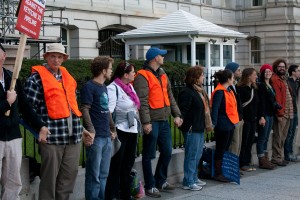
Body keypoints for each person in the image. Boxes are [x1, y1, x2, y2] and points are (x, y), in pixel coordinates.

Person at [24, 43, 90, 200]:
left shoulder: (68, 77)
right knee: (49, 180)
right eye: (52, 56)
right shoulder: (35, 79)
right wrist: (40, 128)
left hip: (73, 137)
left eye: (60, 56)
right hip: (52, 139)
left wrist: (82, 129)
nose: (56, 60)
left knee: (68, 178)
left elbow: (71, 108)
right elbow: (27, 110)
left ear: (63, 59)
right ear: (46, 57)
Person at [0, 43, 48, 199]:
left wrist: (40, 125)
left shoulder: (11, 78)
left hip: (13, 136)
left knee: (13, 183)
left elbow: (26, 108)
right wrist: (7, 103)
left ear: (4, 56)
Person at [134, 47, 182, 198]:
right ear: (155, 58)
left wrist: (177, 114)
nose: (163, 57)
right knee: (148, 154)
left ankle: (161, 180)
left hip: (164, 119)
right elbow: (142, 101)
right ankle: (150, 185)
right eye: (162, 55)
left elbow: (170, 96)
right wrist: (146, 122)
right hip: (153, 121)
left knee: (167, 151)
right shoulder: (142, 76)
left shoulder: (162, 73)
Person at [80, 56, 116, 200]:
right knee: (93, 176)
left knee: (103, 174)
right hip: (96, 138)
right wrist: (91, 130)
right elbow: (85, 108)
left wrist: (112, 128)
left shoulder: (104, 87)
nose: (111, 71)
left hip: (106, 136)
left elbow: (106, 110)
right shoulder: (89, 87)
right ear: (103, 70)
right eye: (110, 68)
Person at [105, 61, 141, 200]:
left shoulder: (130, 87)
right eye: (132, 72)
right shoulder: (113, 88)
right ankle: (112, 194)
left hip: (132, 130)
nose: (134, 74)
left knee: (128, 164)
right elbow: (109, 110)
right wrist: (111, 128)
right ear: (125, 75)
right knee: (117, 165)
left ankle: (125, 194)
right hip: (120, 130)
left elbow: (134, 106)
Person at [178, 66, 211, 191]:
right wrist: (186, 125)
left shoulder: (199, 90)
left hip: (199, 127)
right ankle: (188, 181)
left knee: (198, 154)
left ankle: (194, 177)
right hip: (192, 128)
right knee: (191, 155)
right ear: (195, 78)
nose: (203, 77)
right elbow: (183, 111)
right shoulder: (187, 92)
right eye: (202, 75)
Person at [211, 69, 239, 182]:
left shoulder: (229, 90)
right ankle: (218, 173)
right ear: (228, 79)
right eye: (233, 77)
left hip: (230, 123)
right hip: (223, 124)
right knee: (221, 149)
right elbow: (215, 108)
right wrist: (214, 124)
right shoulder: (219, 91)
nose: (234, 79)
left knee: (225, 148)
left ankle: (225, 171)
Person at [270, 58, 293, 166]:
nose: (282, 68)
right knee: (278, 137)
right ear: (276, 68)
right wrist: (279, 113)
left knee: (283, 136)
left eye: (283, 67)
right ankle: (276, 158)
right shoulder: (275, 79)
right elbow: (278, 98)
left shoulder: (283, 79)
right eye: (280, 67)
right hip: (281, 113)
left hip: (288, 112)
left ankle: (280, 156)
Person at [256, 64, 278, 169]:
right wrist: (261, 116)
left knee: (266, 138)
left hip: (270, 114)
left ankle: (266, 159)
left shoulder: (270, 84)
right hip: (264, 115)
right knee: (262, 138)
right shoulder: (261, 85)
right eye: (266, 71)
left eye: (269, 71)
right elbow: (261, 103)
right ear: (262, 73)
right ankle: (261, 160)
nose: (268, 73)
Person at [237, 68, 258, 172]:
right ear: (248, 76)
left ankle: (247, 161)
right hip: (245, 119)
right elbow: (239, 105)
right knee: (243, 141)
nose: (256, 76)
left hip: (252, 118)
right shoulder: (241, 88)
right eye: (254, 75)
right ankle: (242, 163)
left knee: (250, 141)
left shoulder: (253, 88)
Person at [225, 62, 244, 158]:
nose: (240, 72)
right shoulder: (227, 87)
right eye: (238, 70)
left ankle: (235, 167)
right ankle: (231, 168)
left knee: (238, 144)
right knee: (234, 144)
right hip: (233, 120)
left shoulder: (235, 85)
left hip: (238, 118)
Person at [284, 64, 300, 161]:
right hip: (290, 111)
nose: (299, 72)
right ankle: (287, 153)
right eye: (298, 70)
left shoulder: (297, 82)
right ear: (293, 72)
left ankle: (290, 153)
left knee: (293, 132)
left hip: (296, 110)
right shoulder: (288, 82)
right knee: (289, 133)